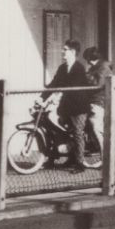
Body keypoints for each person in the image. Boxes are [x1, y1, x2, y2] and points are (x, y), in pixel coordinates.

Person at [44, 40, 91, 171]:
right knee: (57, 130)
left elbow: (71, 86)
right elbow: (53, 84)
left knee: (77, 133)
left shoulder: (79, 68)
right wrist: (42, 98)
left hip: (79, 107)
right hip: (65, 106)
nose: (62, 52)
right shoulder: (62, 68)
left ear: (73, 52)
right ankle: (59, 159)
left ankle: (80, 164)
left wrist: (56, 96)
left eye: (65, 49)